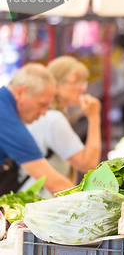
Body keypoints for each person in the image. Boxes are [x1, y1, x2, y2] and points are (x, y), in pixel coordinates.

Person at [20, 56, 101, 195]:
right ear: (56, 86)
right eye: (76, 82)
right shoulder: (53, 119)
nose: (82, 88)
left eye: (83, 82)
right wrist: (94, 117)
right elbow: (88, 163)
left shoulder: (48, 116)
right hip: (41, 205)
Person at [0, 63, 74, 196]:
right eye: (42, 104)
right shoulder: (5, 118)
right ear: (20, 92)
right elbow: (54, 184)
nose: (44, 113)